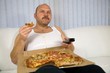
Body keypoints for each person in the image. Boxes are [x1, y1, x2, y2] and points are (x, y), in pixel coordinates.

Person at [10, 3, 105, 73]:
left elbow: (71, 49)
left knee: (94, 69)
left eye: (49, 12)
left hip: (64, 64)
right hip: (40, 67)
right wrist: (22, 39)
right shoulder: (25, 32)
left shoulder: (57, 29)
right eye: (42, 11)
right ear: (35, 15)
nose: (46, 14)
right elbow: (14, 59)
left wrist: (68, 45)